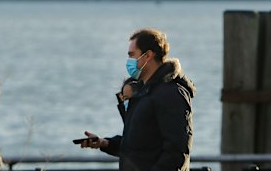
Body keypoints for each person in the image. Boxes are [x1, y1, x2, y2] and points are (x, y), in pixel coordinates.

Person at [79, 28, 196, 171]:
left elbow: (176, 152)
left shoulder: (169, 93)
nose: (129, 61)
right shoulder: (144, 92)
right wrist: (105, 143)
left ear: (148, 56)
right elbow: (139, 145)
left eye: (132, 55)